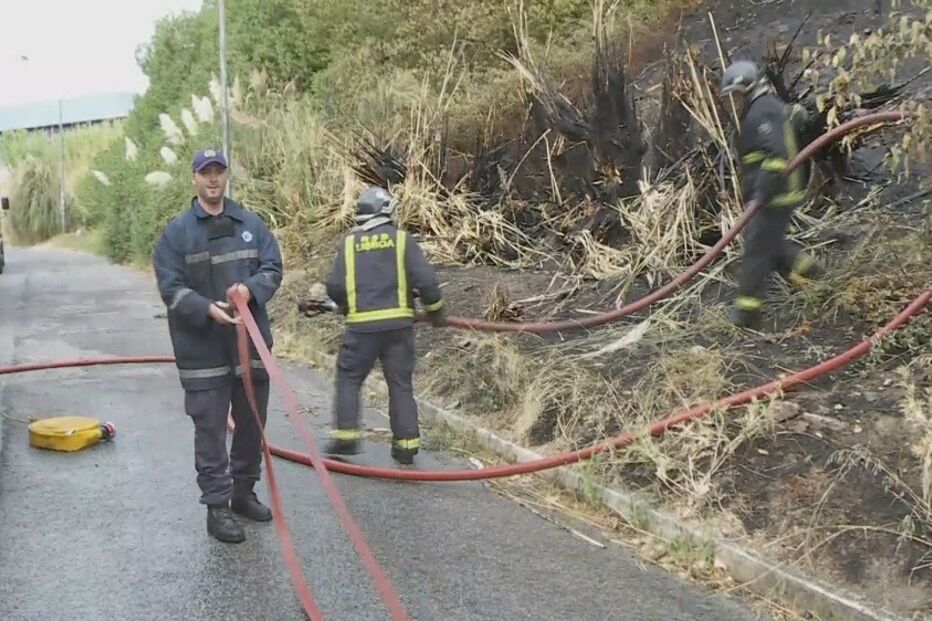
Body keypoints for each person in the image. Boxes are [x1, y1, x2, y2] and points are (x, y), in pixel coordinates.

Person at [152, 148, 283, 543]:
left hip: (249, 347)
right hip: (203, 351)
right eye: (205, 172)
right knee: (210, 430)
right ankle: (217, 507)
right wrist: (206, 308)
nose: (212, 178)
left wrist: (250, 290)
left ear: (226, 176)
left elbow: (272, 267)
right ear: (194, 178)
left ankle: (243, 493)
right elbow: (171, 287)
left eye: (218, 171)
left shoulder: (251, 224)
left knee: (251, 423)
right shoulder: (177, 233)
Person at [323, 186, 445, 465]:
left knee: (349, 377)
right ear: (387, 212)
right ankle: (406, 446)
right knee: (400, 383)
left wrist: (346, 306)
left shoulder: (349, 245)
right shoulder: (402, 241)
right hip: (398, 328)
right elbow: (427, 281)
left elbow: (335, 286)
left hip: (361, 329)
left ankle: (346, 437)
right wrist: (436, 312)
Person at [720, 60, 820, 329]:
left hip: (775, 194)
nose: (734, 101)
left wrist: (760, 196)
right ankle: (815, 271)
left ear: (748, 88)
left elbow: (776, 156)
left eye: (736, 95)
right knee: (772, 248)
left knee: (755, 251)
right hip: (775, 193)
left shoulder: (761, 111)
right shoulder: (764, 108)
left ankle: (746, 314)